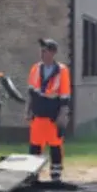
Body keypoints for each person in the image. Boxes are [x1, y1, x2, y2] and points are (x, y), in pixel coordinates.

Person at [25, 38, 72, 182]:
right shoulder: (35, 68)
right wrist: (28, 110)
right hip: (38, 113)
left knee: (55, 145)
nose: (42, 53)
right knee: (35, 146)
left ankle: (56, 175)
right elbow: (31, 92)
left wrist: (63, 115)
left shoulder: (62, 70)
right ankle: (33, 175)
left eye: (45, 50)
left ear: (53, 52)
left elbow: (65, 95)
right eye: (41, 50)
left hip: (53, 114)